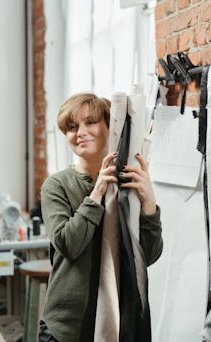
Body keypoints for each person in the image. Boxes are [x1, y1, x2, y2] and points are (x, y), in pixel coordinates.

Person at [39, 93, 163, 342]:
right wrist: (97, 194)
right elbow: (68, 244)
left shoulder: (126, 185)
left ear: (110, 127)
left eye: (90, 122)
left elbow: (147, 256)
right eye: (72, 127)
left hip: (117, 324)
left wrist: (149, 203)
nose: (80, 132)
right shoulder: (56, 186)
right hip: (67, 328)